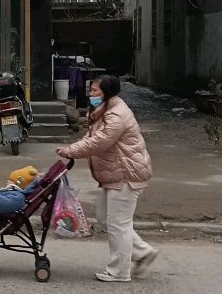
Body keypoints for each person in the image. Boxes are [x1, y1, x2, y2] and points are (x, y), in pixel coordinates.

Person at [57, 74, 157, 282]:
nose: (91, 94)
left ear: (107, 93)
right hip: (116, 174)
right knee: (105, 218)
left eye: (95, 91)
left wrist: (71, 151)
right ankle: (143, 252)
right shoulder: (104, 110)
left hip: (126, 174)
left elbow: (100, 142)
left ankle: (119, 271)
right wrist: (72, 148)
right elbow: (92, 137)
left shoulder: (116, 115)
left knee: (118, 223)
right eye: (91, 90)